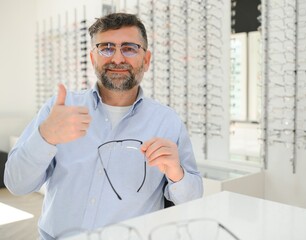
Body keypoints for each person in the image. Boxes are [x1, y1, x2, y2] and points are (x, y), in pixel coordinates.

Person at [4, 12, 203, 239]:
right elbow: (16, 185)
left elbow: (194, 199)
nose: (117, 59)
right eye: (106, 48)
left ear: (146, 60)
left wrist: (177, 174)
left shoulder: (167, 122)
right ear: (92, 58)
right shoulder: (59, 111)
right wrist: (44, 138)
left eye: (129, 48)